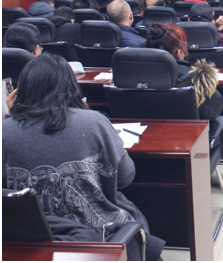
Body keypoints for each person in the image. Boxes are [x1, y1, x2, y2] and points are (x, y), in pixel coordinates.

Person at [3, 54, 165, 260]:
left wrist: (11, 117)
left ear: (22, 91)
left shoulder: (4, 130)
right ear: (70, 86)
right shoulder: (94, 122)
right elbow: (125, 177)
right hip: (98, 235)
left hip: (30, 241)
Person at [145, 23, 223, 121]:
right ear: (179, 53)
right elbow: (213, 111)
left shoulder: (136, 76)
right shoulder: (196, 78)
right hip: (187, 130)